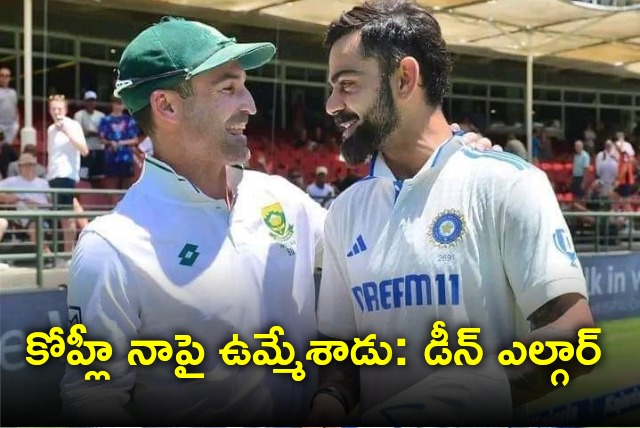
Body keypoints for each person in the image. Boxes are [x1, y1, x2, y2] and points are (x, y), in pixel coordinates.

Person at [312, 1, 594, 425]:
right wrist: (328, 402)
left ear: (404, 78)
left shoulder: (508, 183)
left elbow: (575, 335)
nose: (332, 105)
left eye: (347, 84)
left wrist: (458, 397)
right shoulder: (345, 211)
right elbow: (341, 350)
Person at [60, 17, 326, 426]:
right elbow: (92, 398)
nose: (250, 105)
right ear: (166, 105)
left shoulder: (283, 197)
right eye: (228, 89)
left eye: (244, 86)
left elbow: (367, 259)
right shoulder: (111, 246)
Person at [46, 94, 89, 256]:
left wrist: (67, 132)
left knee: (66, 216)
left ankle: (68, 252)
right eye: (53, 109)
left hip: (66, 174)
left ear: (65, 110)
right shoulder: (51, 129)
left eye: (59, 108)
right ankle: (83, 242)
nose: (56, 112)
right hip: (53, 175)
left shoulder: (73, 125)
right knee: (66, 212)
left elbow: (84, 150)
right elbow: (51, 154)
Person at [0, 152, 52, 253]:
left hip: (42, 212)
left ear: (35, 166)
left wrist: (34, 203)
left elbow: (51, 204)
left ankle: (46, 255)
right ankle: (47, 255)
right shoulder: (12, 181)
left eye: (31, 164)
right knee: (30, 220)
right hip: (24, 213)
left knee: (35, 223)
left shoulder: (43, 183)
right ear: (20, 167)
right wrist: (15, 198)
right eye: (25, 165)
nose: (28, 167)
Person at [99, 96, 140, 206]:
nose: (118, 105)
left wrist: (120, 143)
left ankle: (125, 211)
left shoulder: (129, 120)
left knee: (126, 190)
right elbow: (101, 139)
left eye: (121, 103)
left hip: (126, 159)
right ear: (112, 104)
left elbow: (135, 139)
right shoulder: (105, 120)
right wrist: (110, 142)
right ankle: (113, 210)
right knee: (112, 189)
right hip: (111, 159)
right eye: (116, 103)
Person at [74, 90, 106, 186]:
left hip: (99, 150)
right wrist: (95, 133)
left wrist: (90, 132)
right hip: (85, 151)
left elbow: (103, 134)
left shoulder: (101, 116)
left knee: (98, 177)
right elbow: (79, 133)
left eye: (93, 101)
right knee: (83, 176)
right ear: (85, 102)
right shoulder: (79, 115)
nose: (91, 103)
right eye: (88, 101)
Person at [0, 67, 19, 146]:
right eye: (2, 75)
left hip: (11, 126)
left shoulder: (13, 93)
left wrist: (17, 122)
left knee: (6, 148)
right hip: (0, 126)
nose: (4, 78)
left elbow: (15, 107)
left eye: (7, 76)